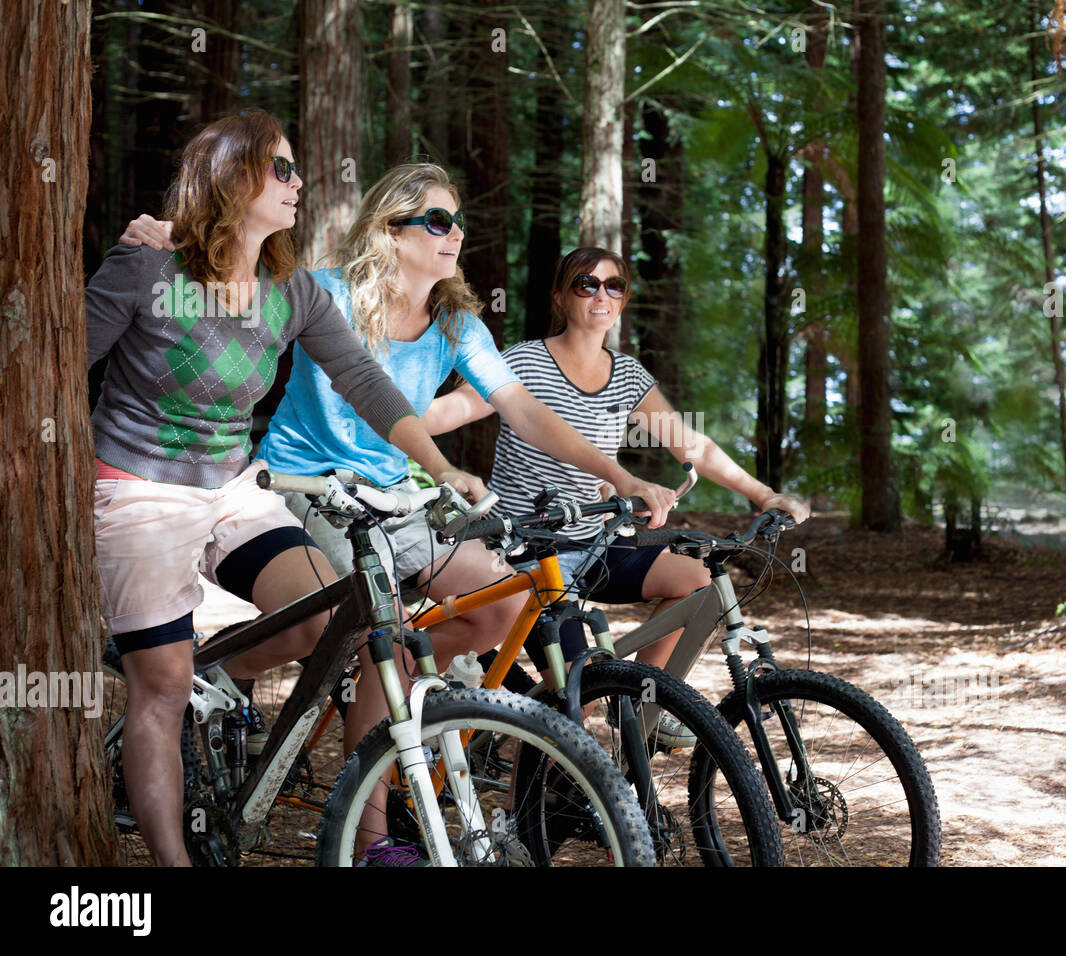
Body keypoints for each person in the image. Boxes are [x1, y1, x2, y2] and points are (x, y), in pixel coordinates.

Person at [88, 112, 480, 866]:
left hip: (232, 487)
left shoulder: (290, 288)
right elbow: (57, 357)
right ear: (232, 176)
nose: (300, 184)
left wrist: (443, 464)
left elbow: (364, 379)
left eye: (297, 170)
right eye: (282, 169)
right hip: (137, 490)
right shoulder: (149, 268)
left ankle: (215, 684)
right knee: (161, 689)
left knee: (327, 624)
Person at [423, 247, 811, 687]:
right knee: (579, 692)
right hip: (525, 551)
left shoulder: (627, 375)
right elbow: (450, 410)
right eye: (585, 284)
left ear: (623, 299)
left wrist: (763, 495)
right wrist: (382, 414)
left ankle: (649, 698)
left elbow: (693, 446)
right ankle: (551, 735)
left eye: (614, 285)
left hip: (596, 542)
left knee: (700, 582)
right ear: (560, 298)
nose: (600, 295)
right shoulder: (524, 360)